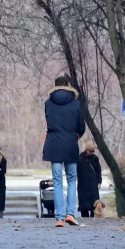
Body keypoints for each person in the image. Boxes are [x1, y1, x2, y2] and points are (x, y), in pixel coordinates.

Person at [42, 74, 85, 227]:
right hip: (70, 144)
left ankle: (59, 217)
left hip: (53, 145)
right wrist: (75, 136)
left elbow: (49, 122)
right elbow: (81, 126)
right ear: (68, 85)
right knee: (72, 179)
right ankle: (70, 214)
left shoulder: (48, 103)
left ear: (55, 85)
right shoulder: (76, 103)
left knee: (58, 181)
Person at [78, 140, 102, 218]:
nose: (92, 153)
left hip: (93, 184)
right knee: (84, 205)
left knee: (94, 204)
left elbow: (98, 171)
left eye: (93, 151)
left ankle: (93, 217)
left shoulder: (95, 158)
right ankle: (84, 218)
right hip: (83, 184)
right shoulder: (80, 158)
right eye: (91, 151)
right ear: (86, 150)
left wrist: (99, 181)